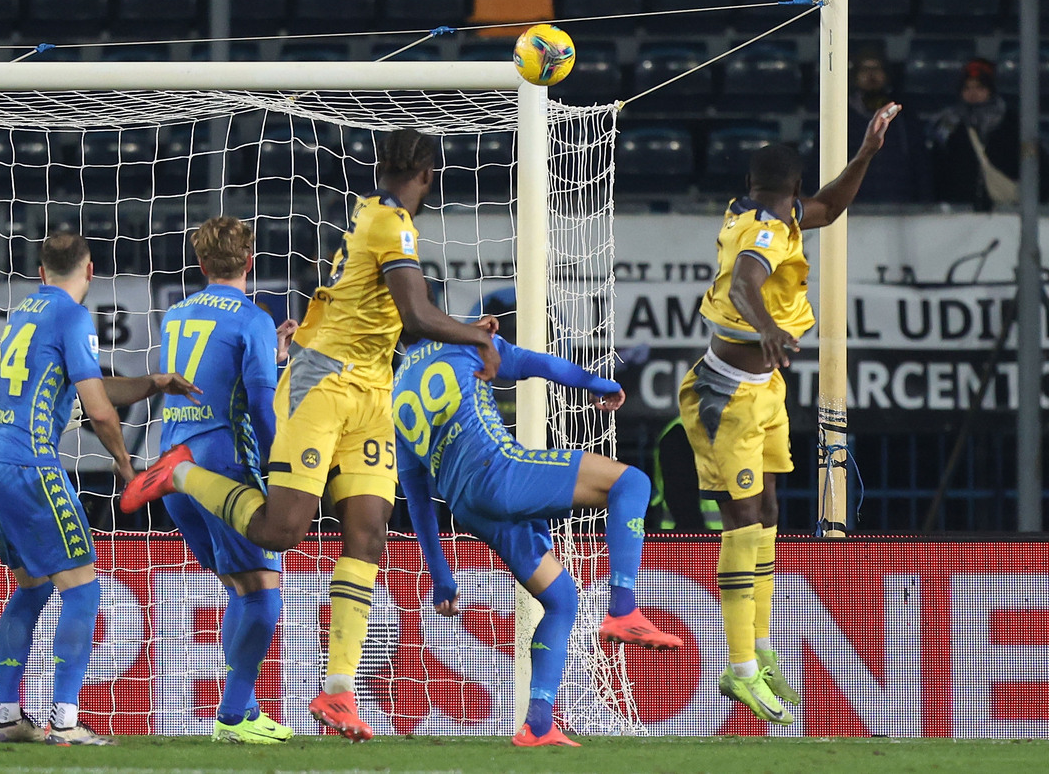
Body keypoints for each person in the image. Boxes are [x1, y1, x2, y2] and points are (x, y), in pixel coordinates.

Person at [121, 128, 501, 742]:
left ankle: (337, 692)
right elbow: (416, 315)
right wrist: (477, 336)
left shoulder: (371, 214)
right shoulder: (392, 223)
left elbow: (388, 319)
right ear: (428, 174)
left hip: (374, 391)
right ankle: (181, 473)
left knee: (370, 530)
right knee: (284, 529)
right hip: (322, 382)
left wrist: (457, 330)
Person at [677, 104, 899, 726]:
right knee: (744, 521)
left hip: (760, 389)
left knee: (769, 512)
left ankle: (762, 647)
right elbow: (747, 282)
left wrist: (866, 154)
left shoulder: (770, 213)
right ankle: (739, 667)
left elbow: (828, 207)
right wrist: (770, 328)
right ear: (790, 187)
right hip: (726, 396)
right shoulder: (768, 232)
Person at [393, 329, 684, 747]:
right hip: (501, 471)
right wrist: (598, 383)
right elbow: (539, 365)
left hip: (468, 506)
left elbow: (417, 499)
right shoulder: (462, 341)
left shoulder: (396, 393)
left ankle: (539, 722)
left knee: (562, 598)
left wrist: (441, 576)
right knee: (632, 484)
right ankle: (622, 609)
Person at [0, 231, 200, 746]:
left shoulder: (25, 313)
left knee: (30, 588)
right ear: (91, 271)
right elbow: (98, 409)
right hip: (31, 465)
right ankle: (66, 721)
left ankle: (7, 718)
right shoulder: (73, 315)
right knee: (84, 589)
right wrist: (126, 464)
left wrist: (153, 382)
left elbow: (92, 385)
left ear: (40, 271)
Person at [150, 216, 297, 743]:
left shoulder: (175, 315)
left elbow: (212, 378)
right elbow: (258, 401)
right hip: (224, 464)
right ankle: (233, 714)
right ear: (250, 262)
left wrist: (270, 355)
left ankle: (245, 712)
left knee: (239, 587)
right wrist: (282, 464)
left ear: (201, 263)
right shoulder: (252, 317)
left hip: (172, 466)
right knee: (263, 593)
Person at [929, 58, 1019, 211]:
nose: (973, 93)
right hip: (957, 207)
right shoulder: (948, 123)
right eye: (967, 88)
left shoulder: (1010, 122)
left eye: (979, 87)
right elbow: (936, 165)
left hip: (1002, 208)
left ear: (990, 89)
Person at [846, 46, 931, 204]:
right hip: (853, 209)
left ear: (886, 75)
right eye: (865, 69)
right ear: (855, 76)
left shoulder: (905, 118)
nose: (871, 75)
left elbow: (921, 167)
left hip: (900, 208)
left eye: (877, 69)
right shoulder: (840, 118)